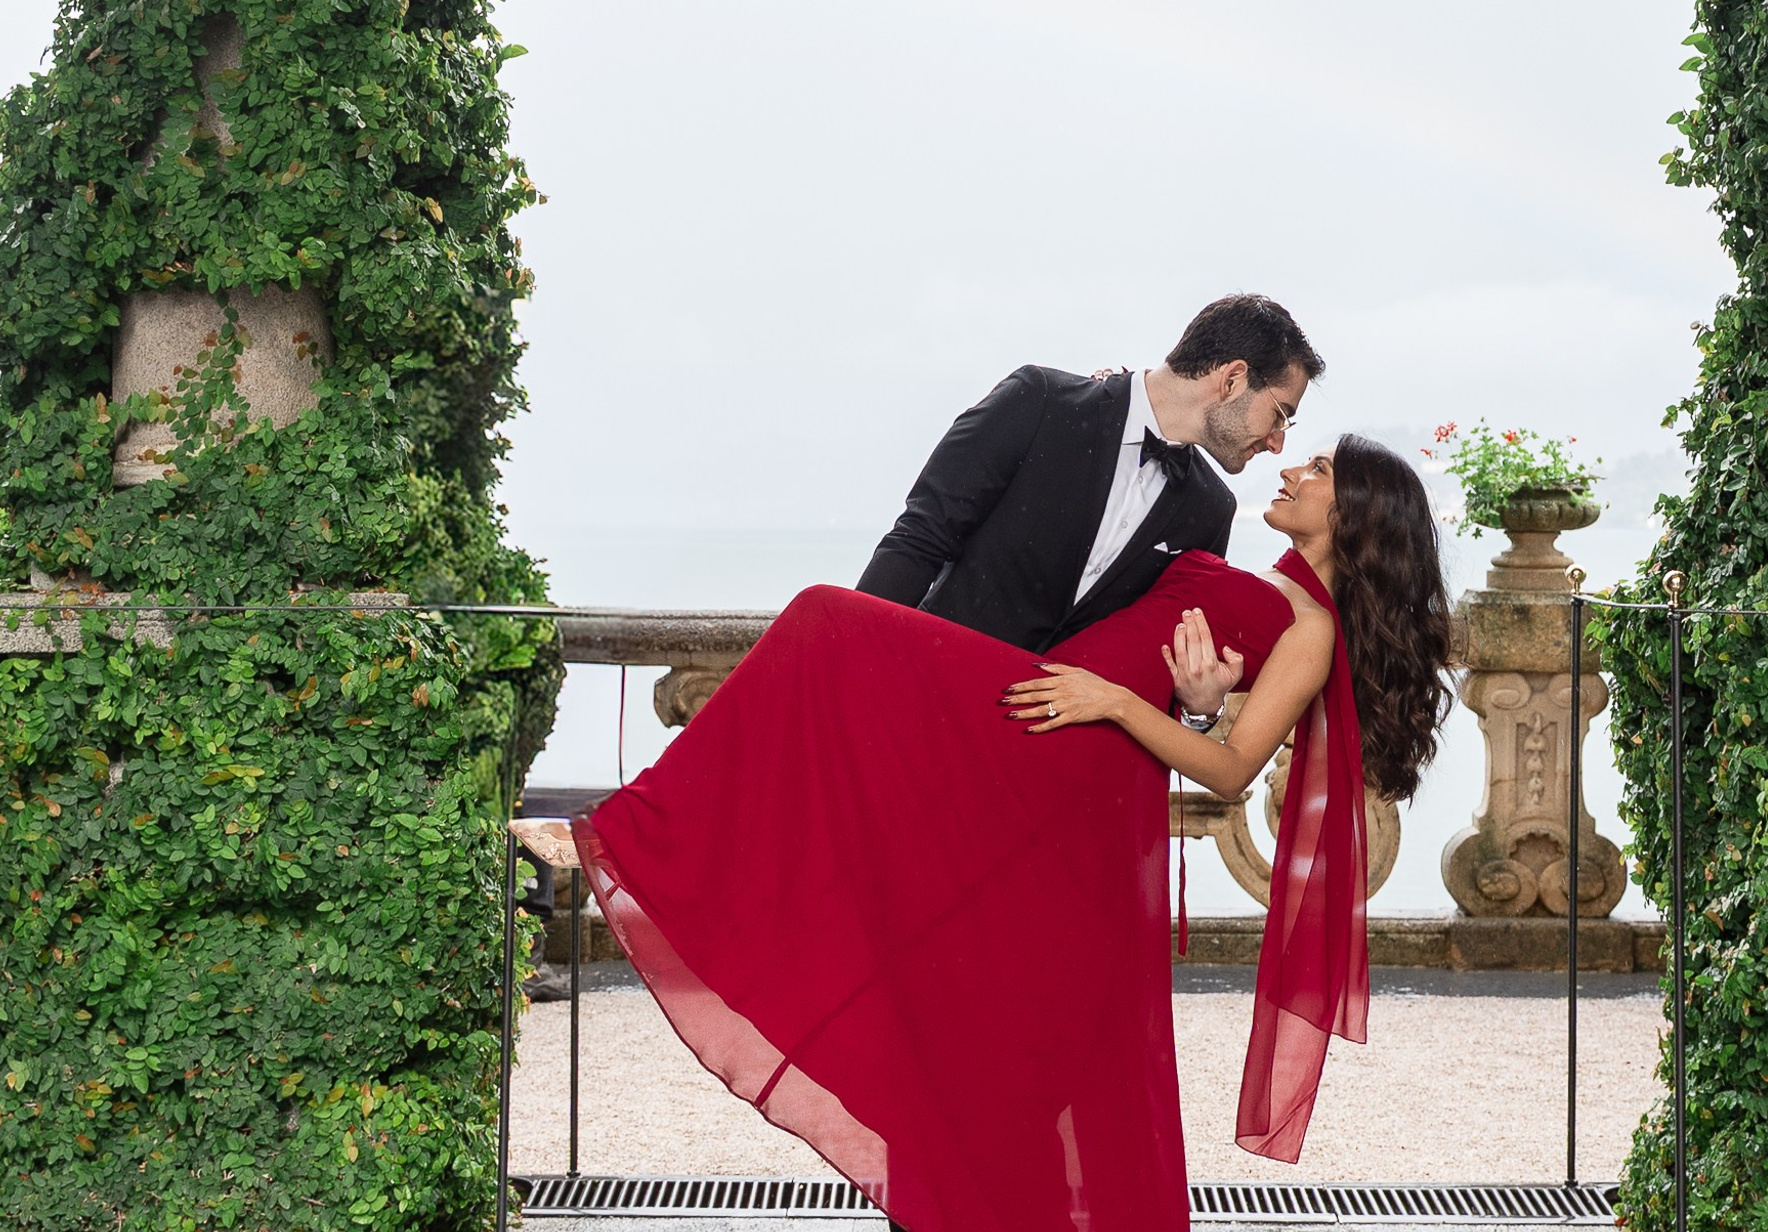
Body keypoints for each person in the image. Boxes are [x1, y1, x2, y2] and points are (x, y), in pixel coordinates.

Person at [513, 432, 1451, 1232]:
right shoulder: (1259, 581)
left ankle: (629, 834)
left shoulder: (1314, 627)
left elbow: (1233, 767)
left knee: (826, 623)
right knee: (963, 988)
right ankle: (647, 840)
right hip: (1033, 725)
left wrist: (1127, 702)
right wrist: (1192, 699)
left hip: (1070, 765)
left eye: (1318, 466)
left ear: (1357, 513)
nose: (1291, 467)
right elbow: (1195, 695)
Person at [855, 293, 1323, 649]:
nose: (1278, 442)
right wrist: (851, 661)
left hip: (1053, 761)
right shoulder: (1037, 401)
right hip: (932, 700)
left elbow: (1162, 656)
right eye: (1280, 414)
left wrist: (1202, 709)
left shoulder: (1211, 510)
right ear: (1233, 378)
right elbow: (918, 541)